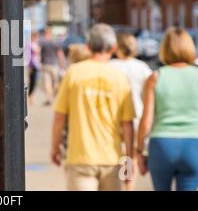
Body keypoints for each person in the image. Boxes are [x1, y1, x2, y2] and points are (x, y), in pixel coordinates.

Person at [51, 23, 135, 191]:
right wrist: (129, 163)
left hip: (80, 156)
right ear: (113, 48)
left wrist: (55, 147)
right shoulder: (119, 77)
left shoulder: (73, 73)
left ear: (88, 46)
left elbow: (60, 116)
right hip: (111, 159)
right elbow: (127, 124)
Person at [137, 27, 198, 191]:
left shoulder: (155, 77)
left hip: (162, 144)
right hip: (194, 144)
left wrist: (140, 151)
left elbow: (146, 120)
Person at [110, 33, 152, 190]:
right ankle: (129, 186)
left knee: (119, 156)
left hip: (115, 117)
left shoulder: (110, 66)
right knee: (130, 157)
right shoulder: (142, 67)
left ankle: (121, 184)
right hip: (137, 117)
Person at [39, 27, 66, 105]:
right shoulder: (55, 42)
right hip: (55, 65)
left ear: (45, 33)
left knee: (47, 83)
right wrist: (62, 64)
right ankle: (55, 96)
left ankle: (49, 98)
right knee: (56, 82)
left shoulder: (43, 42)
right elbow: (60, 54)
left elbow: (38, 51)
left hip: (45, 64)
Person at [26, 31, 41, 105]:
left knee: (35, 82)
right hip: (33, 65)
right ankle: (30, 97)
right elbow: (28, 56)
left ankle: (31, 97)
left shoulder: (36, 44)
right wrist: (29, 67)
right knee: (32, 82)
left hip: (37, 65)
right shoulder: (30, 44)